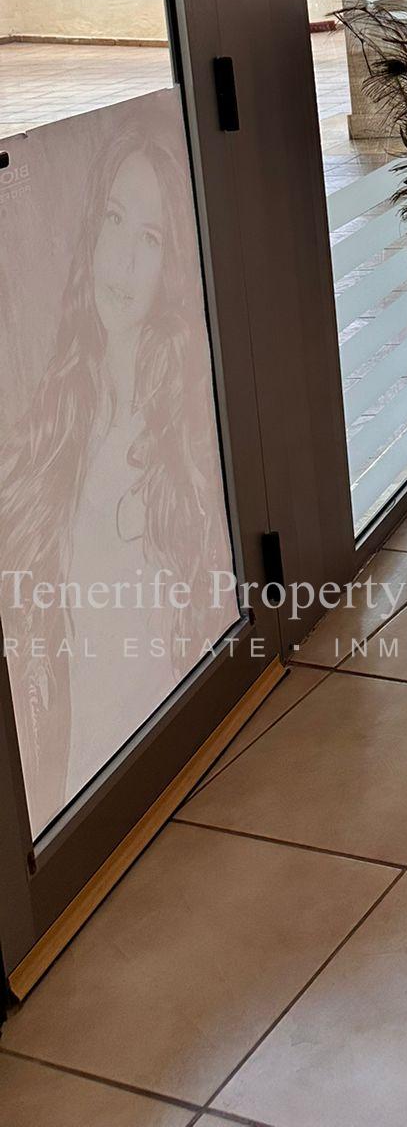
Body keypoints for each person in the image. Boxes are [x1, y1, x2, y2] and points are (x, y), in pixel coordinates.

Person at [1, 114, 238, 832]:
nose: (124, 261)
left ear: (171, 267)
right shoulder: (56, 424)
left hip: (182, 778)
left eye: (151, 238)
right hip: (78, 792)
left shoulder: (191, 433)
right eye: (114, 220)